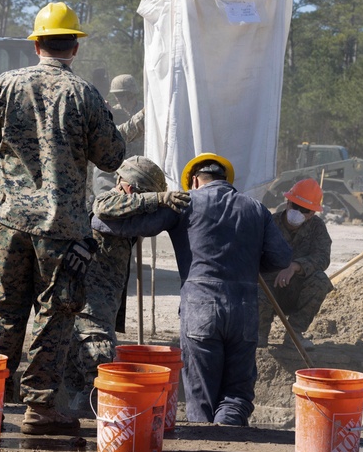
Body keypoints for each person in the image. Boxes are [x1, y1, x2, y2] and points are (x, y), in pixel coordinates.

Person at [0, 2, 125, 435]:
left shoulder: (5, 84)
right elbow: (112, 156)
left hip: (9, 224)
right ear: (74, 46)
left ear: (35, 44)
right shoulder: (85, 94)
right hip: (61, 228)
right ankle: (39, 407)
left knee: (3, 311)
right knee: (54, 314)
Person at [93, 153, 292, 426]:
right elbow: (281, 259)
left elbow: (129, 225)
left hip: (200, 311)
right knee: (236, 394)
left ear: (195, 180)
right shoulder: (256, 208)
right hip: (244, 310)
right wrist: (247, 263)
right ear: (226, 179)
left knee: (202, 394)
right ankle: (230, 441)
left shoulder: (185, 204)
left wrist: (92, 221)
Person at [64, 156, 189, 415]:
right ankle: (89, 420)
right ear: (131, 189)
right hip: (89, 302)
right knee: (97, 356)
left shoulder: (127, 211)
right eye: (145, 195)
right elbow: (103, 206)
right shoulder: (106, 202)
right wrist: (159, 200)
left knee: (81, 367)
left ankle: (78, 415)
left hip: (102, 303)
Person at [257, 179, 333, 348]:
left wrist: (294, 267)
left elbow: (322, 257)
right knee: (254, 281)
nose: (298, 212)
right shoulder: (269, 223)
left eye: (304, 210)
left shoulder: (317, 227)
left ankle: (294, 334)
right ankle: (259, 332)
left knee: (321, 281)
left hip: (296, 291)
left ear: (312, 213)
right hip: (268, 290)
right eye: (295, 206)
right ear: (288, 202)